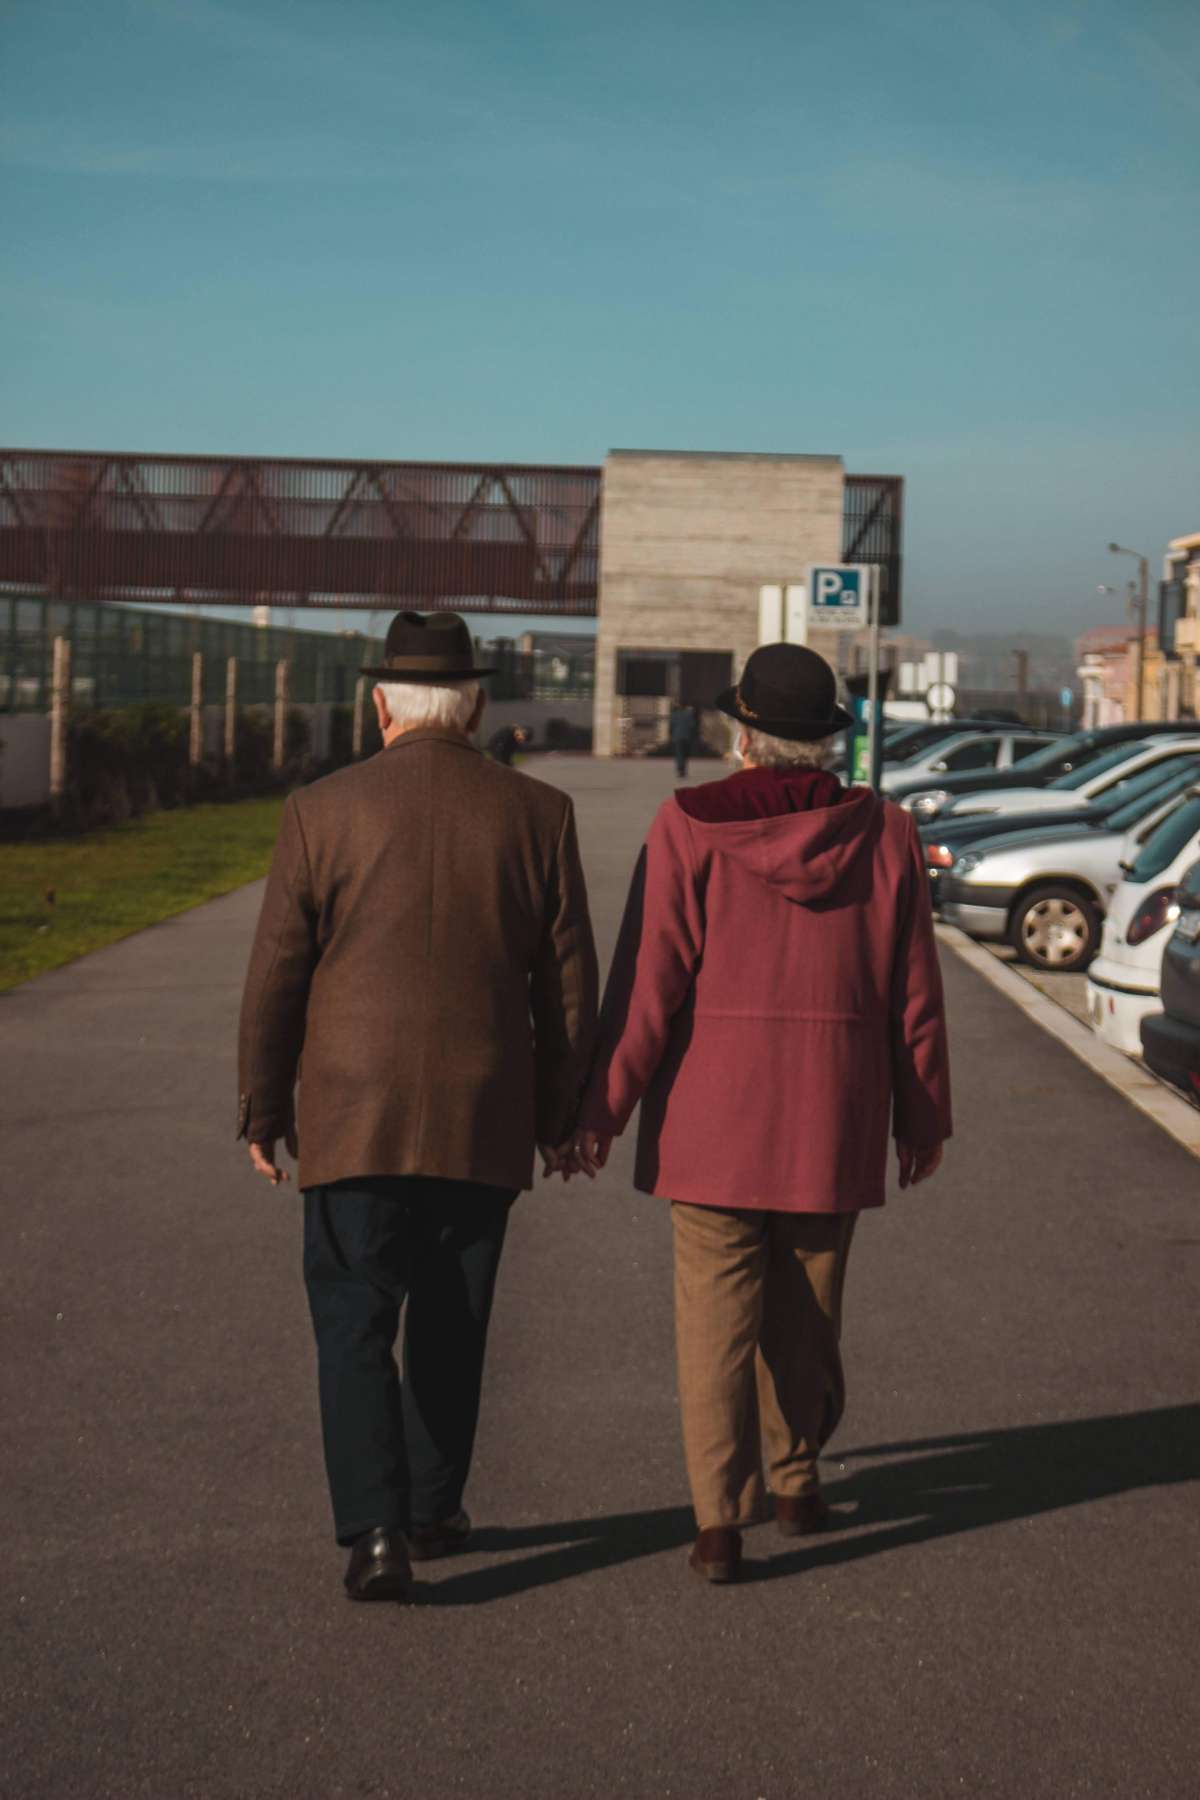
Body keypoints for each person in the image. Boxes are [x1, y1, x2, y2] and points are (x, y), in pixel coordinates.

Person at [572, 642, 951, 1585]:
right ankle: (797, 1482)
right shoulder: (886, 832)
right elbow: (915, 994)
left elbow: (649, 983)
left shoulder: (688, 824)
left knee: (714, 1327)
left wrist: (602, 1109)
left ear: (743, 738)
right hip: (833, 1115)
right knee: (807, 1316)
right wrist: (923, 1116)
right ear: (827, 742)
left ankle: (717, 1525)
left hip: (712, 1120)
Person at [237, 611, 597, 1603]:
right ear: (474, 706)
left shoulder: (322, 809)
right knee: (452, 1319)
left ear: (382, 702)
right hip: (484, 1111)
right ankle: (435, 1506)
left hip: (352, 1114)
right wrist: (564, 1116)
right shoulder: (540, 814)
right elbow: (567, 990)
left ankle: (378, 1532)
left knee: (354, 1320)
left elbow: (278, 976)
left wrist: (265, 1107)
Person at [669, 703, 698, 779]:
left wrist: (671, 735)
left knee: (679, 754)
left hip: (677, 737)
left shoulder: (674, 714)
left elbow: (671, 726)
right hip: (687, 737)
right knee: (685, 754)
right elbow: (693, 726)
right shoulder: (689, 714)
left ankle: (680, 770)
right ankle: (684, 770)